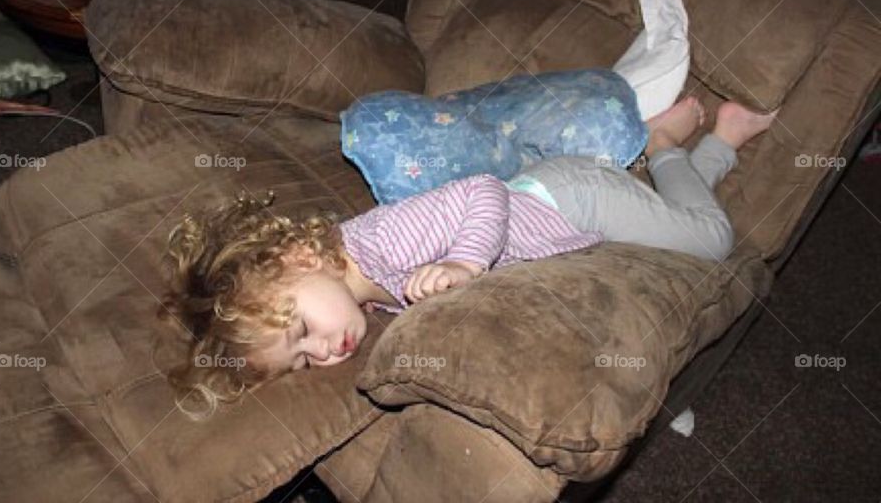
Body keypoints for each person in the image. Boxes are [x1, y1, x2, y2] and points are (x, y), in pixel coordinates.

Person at [158, 97, 775, 419]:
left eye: (301, 332)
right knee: (675, 231)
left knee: (711, 243)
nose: (321, 354)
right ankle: (685, 164)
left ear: (297, 256)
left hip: (572, 201)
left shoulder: (375, 243)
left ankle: (682, 143)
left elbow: (482, 191)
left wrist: (465, 265)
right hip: (565, 218)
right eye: (300, 362)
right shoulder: (362, 288)